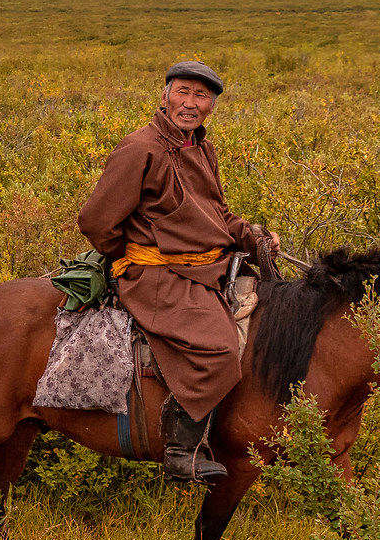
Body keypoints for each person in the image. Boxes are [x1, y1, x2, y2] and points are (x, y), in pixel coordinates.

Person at [76, 62, 273, 485]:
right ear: (164, 95)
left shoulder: (202, 148)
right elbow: (95, 221)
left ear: (212, 107)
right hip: (154, 276)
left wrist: (253, 238)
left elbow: (217, 215)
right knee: (220, 349)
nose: (190, 103)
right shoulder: (139, 148)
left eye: (201, 97)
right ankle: (180, 451)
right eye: (183, 92)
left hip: (204, 269)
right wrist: (130, 258)